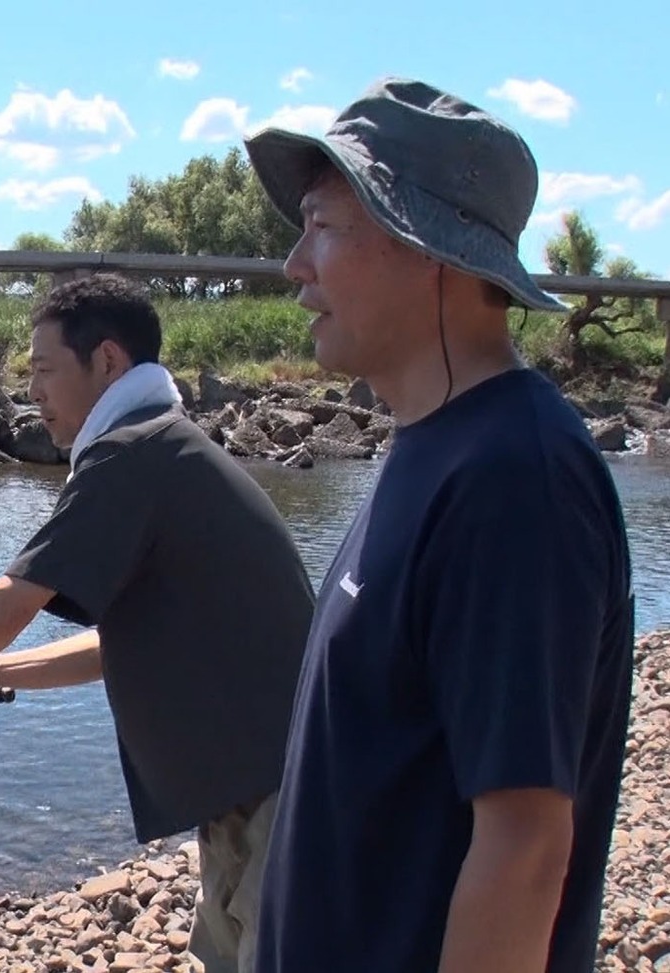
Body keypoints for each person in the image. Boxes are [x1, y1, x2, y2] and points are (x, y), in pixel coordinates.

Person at [241, 77, 636, 973]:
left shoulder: (514, 477)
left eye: (326, 224)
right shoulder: (433, 442)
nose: (295, 264)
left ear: (432, 249)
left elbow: (524, 849)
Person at [0, 273, 317, 973]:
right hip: (254, 788)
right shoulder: (163, 443)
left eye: (44, 369)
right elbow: (114, 648)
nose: (32, 390)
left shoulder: (132, 450)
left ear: (107, 361)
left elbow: (12, 599)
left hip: (279, 796)